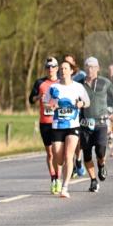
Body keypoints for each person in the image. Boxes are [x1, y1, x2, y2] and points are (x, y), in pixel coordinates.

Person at [43, 61, 90, 198]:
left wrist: (81, 103)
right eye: (61, 68)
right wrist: (50, 106)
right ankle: (60, 175)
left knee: (69, 156)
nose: (63, 71)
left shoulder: (78, 87)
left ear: (71, 71)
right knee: (59, 159)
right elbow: (45, 103)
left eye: (66, 68)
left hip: (73, 126)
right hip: (58, 126)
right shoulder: (54, 87)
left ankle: (65, 187)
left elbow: (87, 101)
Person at [80, 57, 113, 192]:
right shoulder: (80, 83)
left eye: (92, 67)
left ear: (98, 68)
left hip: (101, 123)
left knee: (100, 152)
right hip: (84, 124)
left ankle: (101, 165)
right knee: (87, 155)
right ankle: (93, 180)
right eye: (87, 66)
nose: (90, 69)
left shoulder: (105, 82)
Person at [29, 57, 61, 193]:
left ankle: (58, 179)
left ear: (57, 68)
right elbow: (31, 99)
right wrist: (38, 98)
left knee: (57, 151)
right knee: (50, 153)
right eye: (48, 67)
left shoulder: (62, 82)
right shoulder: (40, 82)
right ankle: (53, 178)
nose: (50, 69)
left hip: (59, 122)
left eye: (53, 66)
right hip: (45, 122)